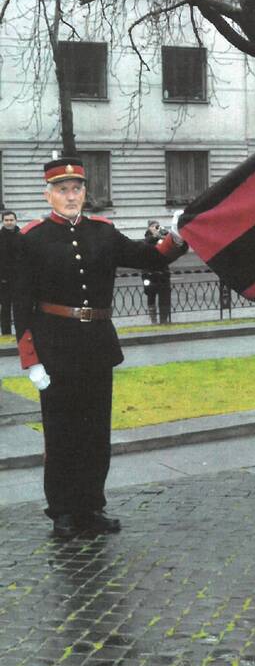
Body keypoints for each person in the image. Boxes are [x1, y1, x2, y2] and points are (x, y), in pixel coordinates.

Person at [12, 157, 188, 538]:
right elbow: (20, 302)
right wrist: (32, 360)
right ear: (49, 195)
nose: (71, 196)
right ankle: (62, 512)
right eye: (62, 190)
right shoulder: (32, 238)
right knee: (61, 435)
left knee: (95, 434)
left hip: (96, 345)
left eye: (76, 189)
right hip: (55, 348)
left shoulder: (103, 233)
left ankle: (91, 507)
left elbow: (148, 258)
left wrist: (175, 238)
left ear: (85, 193)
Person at [142, 219, 173, 324]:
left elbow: (172, 244)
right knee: (151, 296)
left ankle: (164, 320)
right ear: (149, 228)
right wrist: (155, 236)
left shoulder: (163, 237)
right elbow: (145, 244)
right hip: (149, 274)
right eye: (154, 226)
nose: (156, 228)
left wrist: (164, 234)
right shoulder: (147, 238)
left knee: (164, 297)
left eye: (158, 226)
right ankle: (153, 320)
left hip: (163, 273)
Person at [0, 210, 19, 335]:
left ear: (15, 220)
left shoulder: (23, 235)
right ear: (2, 221)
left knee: (20, 308)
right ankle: (6, 335)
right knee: (5, 309)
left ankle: (21, 335)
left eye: (11, 220)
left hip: (20, 280)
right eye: (6, 220)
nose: (9, 222)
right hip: (3, 281)